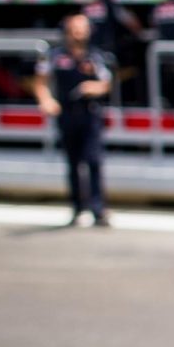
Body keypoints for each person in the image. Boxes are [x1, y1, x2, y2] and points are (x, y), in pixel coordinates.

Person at [34, 13, 113, 227]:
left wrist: (93, 87)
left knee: (94, 161)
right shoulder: (55, 55)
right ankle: (78, 208)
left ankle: (99, 210)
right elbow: (40, 83)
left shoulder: (95, 56)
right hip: (67, 113)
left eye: (83, 28)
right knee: (73, 163)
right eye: (76, 28)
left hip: (90, 113)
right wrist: (46, 100)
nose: (80, 32)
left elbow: (106, 83)